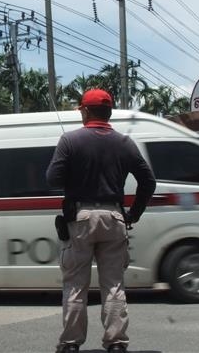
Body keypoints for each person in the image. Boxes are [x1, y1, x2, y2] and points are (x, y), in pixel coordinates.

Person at [46, 89, 157, 353]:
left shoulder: (69, 140)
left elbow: (52, 180)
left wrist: (74, 172)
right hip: (115, 218)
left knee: (75, 284)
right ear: (108, 113)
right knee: (114, 284)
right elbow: (148, 181)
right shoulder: (125, 143)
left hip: (81, 218)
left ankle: (71, 344)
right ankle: (116, 343)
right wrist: (133, 214)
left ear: (85, 111)